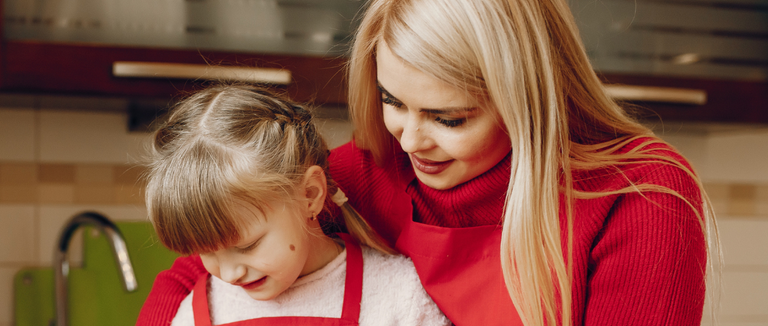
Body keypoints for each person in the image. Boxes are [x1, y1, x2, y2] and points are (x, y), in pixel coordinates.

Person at [137, 0, 716, 325]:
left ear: (527, 98)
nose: (411, 139)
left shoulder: (638, 195)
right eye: (392, 101)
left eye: (449, 118)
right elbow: (212, 256)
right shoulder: (364, 174)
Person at [144, 85, 452, 326]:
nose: (228, 273)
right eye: (208, 251)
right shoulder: (200, 309)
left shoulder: (399, 295)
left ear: (310, 195)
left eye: (248, 245)